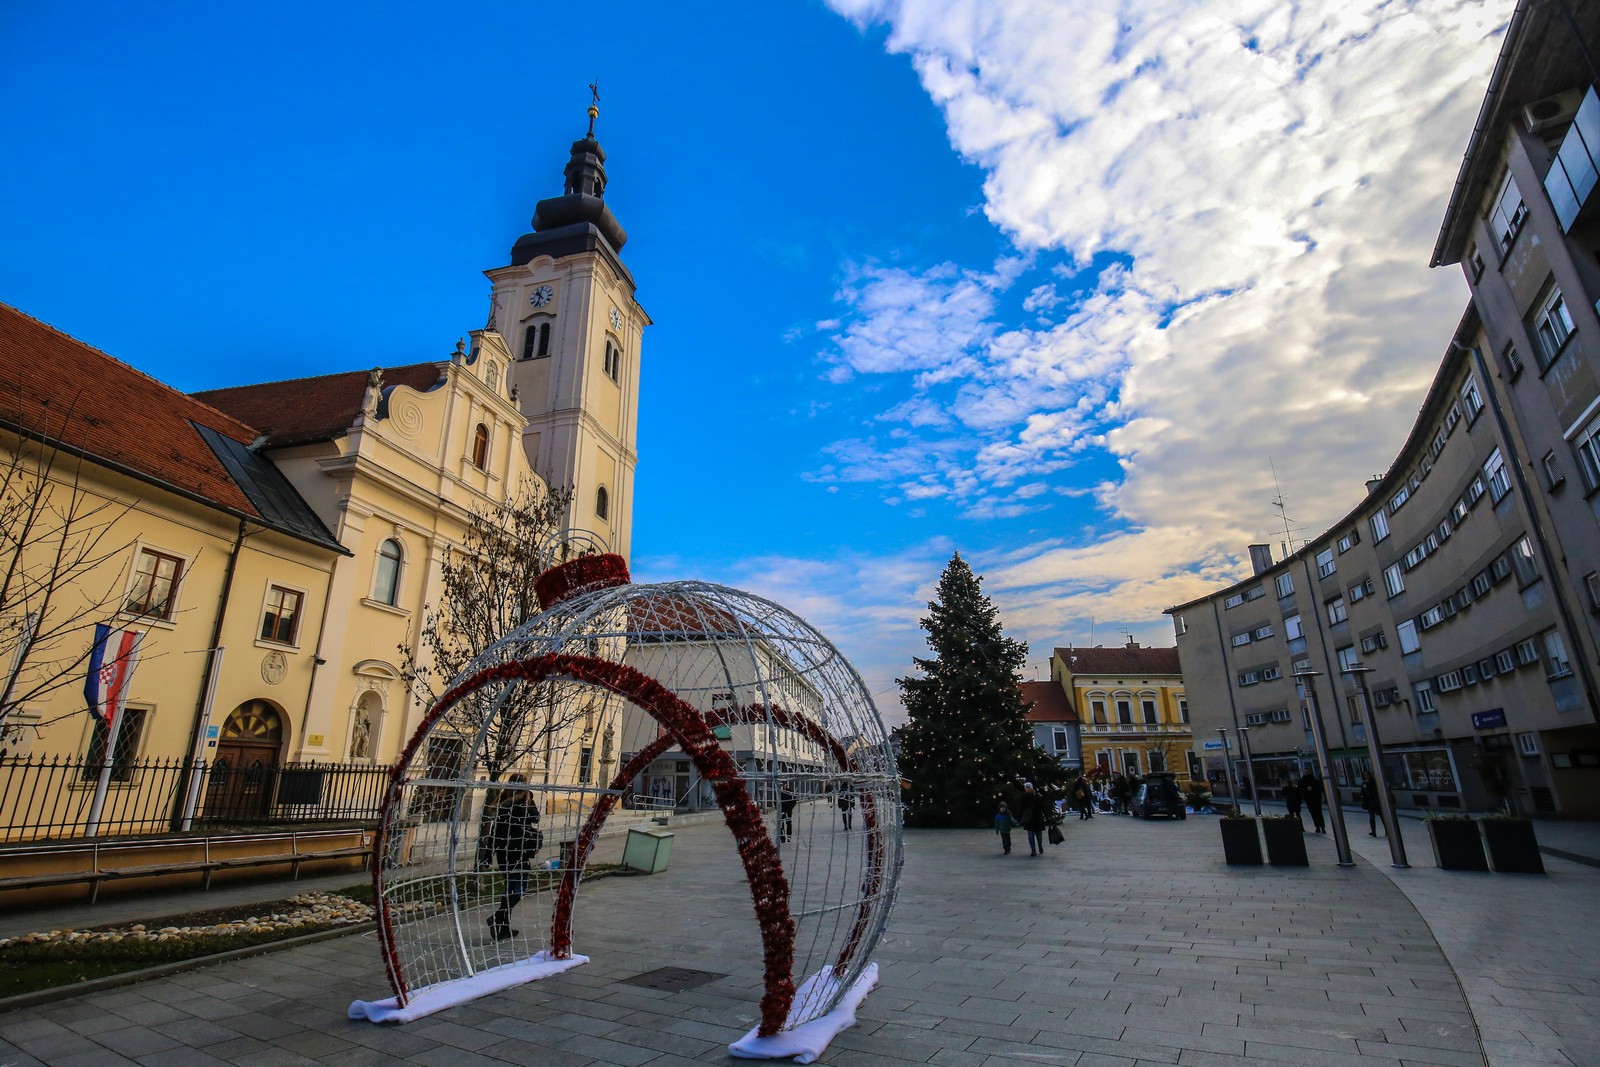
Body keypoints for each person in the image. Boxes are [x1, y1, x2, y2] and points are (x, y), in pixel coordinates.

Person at [486, 774, 541, 941]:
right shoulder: (520, 799)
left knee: (511, 887)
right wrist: (527, 803)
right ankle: (497, 917)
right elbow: (535, 817)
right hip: (517, 849)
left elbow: (495, 829)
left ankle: (503, 927)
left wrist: (489, 852)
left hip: (504, 851)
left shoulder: (503, 799)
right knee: (519, 888)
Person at [1016, 782, 1047, 855]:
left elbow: (1042, 807)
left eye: (1028, 787)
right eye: (1026, 787)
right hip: (1029, 819)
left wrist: (1047, 816)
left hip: (1037, 818)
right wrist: (1020, 818)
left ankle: (1040, 845)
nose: (1027, 789)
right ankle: (1033, 849)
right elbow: (1021, 808)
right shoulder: (1024, 797)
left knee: (1039, 836)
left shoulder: (1037, 796)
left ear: (1031, 788)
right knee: (1030, 835)